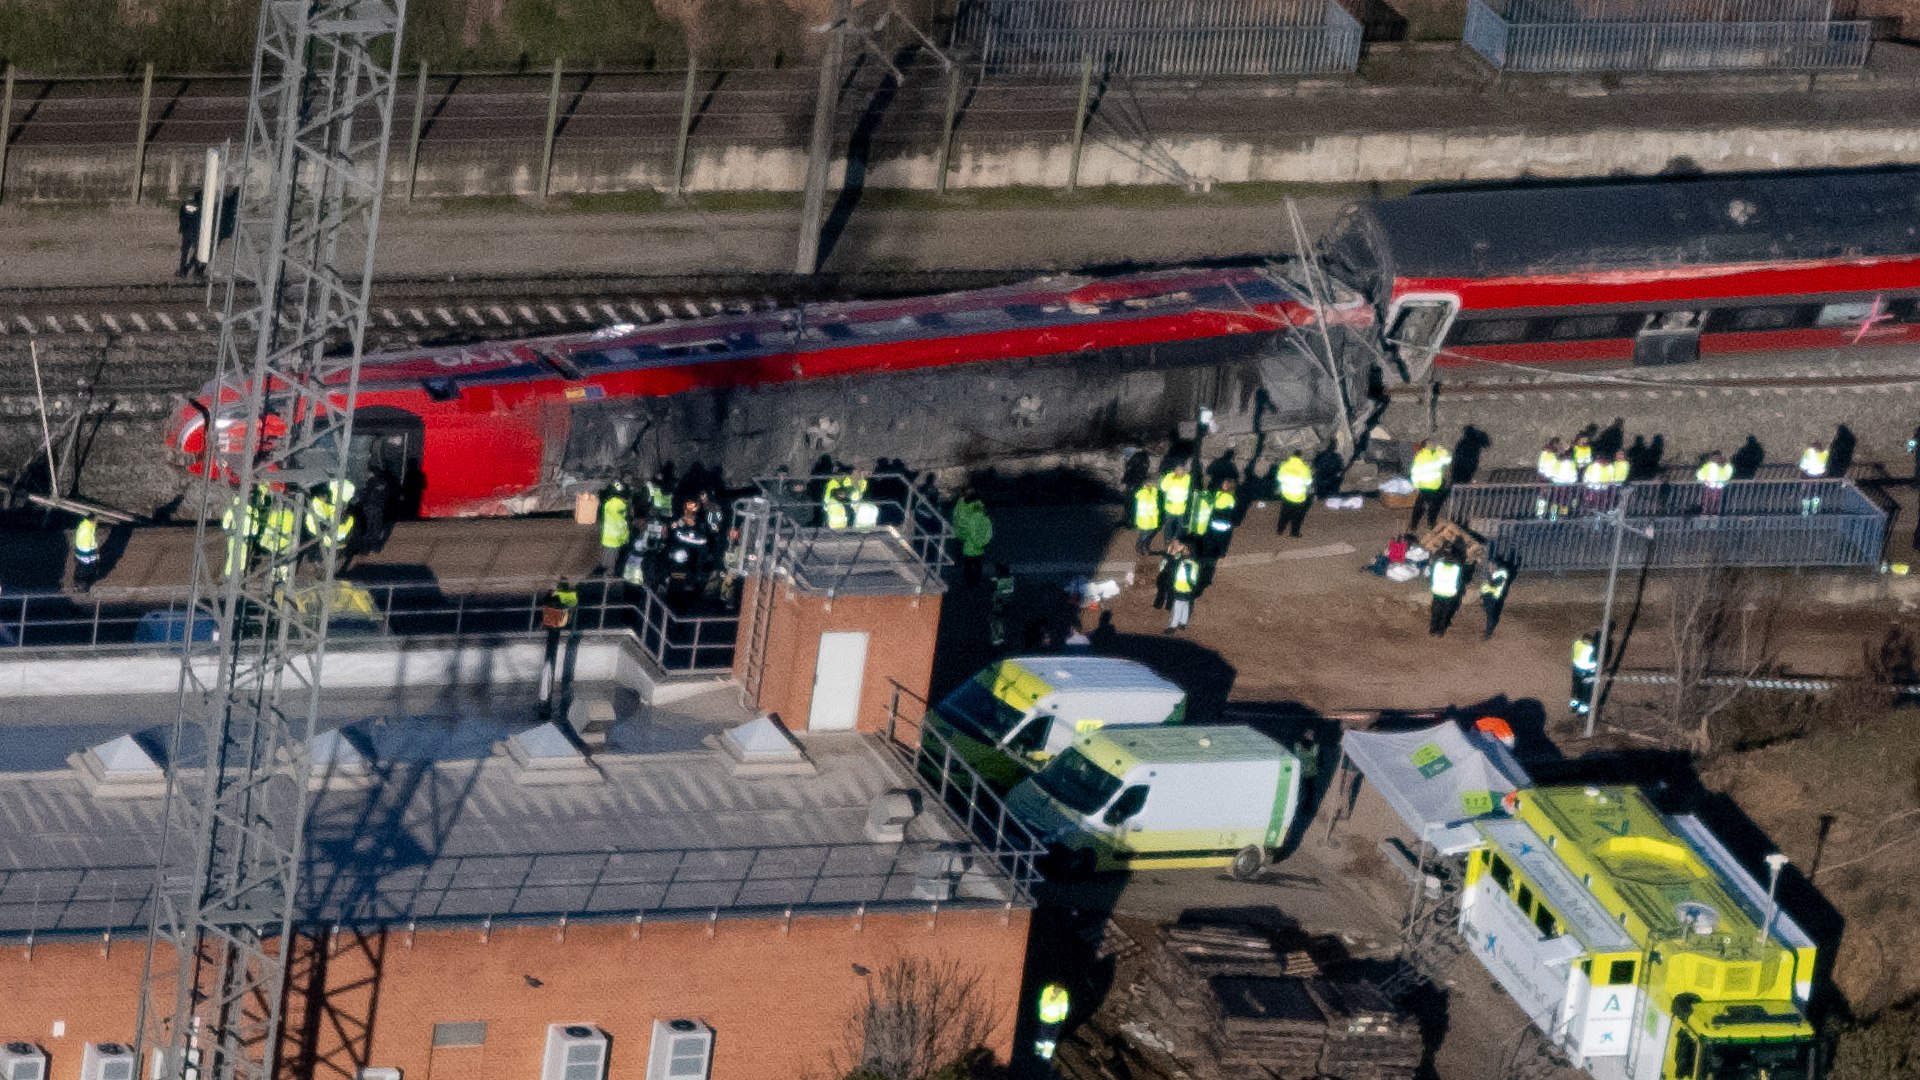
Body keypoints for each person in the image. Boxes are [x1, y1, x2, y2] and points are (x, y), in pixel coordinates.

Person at [537, 579, 579, 719]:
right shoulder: (569, 596)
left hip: (552, 630)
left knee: (548, 665)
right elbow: (572, 605)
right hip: (557, 628)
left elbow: (545, 602)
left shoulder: (555, 596)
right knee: (549, 664)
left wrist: (552, 594)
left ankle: (544, 704)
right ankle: (545, 703)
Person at [951, 489, 993, 586]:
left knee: (968, 564)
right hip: (977, 545)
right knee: (977, 564)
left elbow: (959, 520)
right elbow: (987, 530)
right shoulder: (982, 514)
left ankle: (969, 581)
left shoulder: (961, 507)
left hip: (966, 542)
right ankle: (976, 581)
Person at [1408, 439, 1452, 531]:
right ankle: (1431, 523)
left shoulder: (1420, 456)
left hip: (1424, 486)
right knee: (1434, 506)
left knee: (1420, 506)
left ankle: (1413, 525)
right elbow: (1448, 460)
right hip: (1436, 486)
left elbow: (1415, 472)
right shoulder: (1437, 455)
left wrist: (1415, 486)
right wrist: (1441, 449)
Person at [1427, 543, 1467, 637]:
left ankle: (1432, 630)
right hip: (1449, 593)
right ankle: (1440, 631)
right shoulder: (1457, 568)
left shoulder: (1439, 565)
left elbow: (1432, 576)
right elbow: (1459, 581)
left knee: (1435, 612)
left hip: (1438, 591)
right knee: (1445, 613)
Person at [1274, 452, 1313, 537]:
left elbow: (1279, 478)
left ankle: (1280, 530)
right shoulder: (1305, 468)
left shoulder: (1285, 465)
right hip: (1299, 496)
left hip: (1286, 495)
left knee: (1284, 514)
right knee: (1297, 516)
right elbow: (1308, 482)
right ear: (1301, 457)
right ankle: (1294, 533)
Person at [598, 481, 632, 575]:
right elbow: (625, 521)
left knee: (606, 556)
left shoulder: (609, 504)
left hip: (607, 536)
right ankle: (608, 572)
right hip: (617, 537)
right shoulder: (624, 505)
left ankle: (604, 571)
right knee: (612, 557)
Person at [1159, 460, 1194, 546]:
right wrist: (1171, 478)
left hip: (1181, 508)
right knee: (1168, 525)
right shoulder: (1169, 477)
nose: (1180, 472)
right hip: (1170, 508)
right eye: (1178, 470)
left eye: (1182, 470)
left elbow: (1193, 488)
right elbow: (1163, 487)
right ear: (1175, 470)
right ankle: (1167, 540)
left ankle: (1177, 540)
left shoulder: (1188, 478)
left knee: (1180, 526)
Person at [1166, 545, 1200, 633]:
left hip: (1183, 589)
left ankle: (1173, 626)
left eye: (1186, 550)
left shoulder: (1187, 564)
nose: (1183, 551)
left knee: (1177, 607)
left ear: (1190, 552)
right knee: (1185, 606)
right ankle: (1183, 623)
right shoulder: (1192, 563)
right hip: (1187, 590)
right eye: (1183, 549)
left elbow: (1191, 579)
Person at [1033, 982, 1071, 1060]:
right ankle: (1042, 1055)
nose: (1058, 990)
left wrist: (1062, 1018)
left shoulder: (1049, 991)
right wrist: (1062, 1018)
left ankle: (1041, 1055)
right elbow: (1064, 1007)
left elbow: (1042, 1003)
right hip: (1051, 1020)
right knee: (1047, 1038)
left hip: (1049, 1020)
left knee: (1046, 1038)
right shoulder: (1060, 993)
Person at [1201, 478, 1237, 558]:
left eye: (1226, 484)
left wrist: (1207, 499)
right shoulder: (1220, 493)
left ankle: (1219, 553)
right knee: (1217, 540)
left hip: (1221, 524)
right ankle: (1217, 552)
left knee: (1218, 540)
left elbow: (1216, 504)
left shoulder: (1228, 497)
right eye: (1224, 483)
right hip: (1217, 522)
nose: (1223, 485)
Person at [1478, 562, 1512, 640]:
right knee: (1489, 616)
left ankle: (1488, 633)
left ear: (1496, 565)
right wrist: (1482, 596)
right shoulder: (1490, 573)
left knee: (1492, 616)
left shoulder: (1501, 574)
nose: (1489, 566)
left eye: (1492, 565)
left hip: (1494, 598)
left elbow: (1494, 583)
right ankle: (1488, 630)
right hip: (1487, 598)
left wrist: (1489, 575)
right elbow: (1485, 586)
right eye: (1489, 565)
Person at [71, 514, 103, 593]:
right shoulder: (89, 528)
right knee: (86, 570)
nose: (97, 522)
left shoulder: (84, 524)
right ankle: (82, 587)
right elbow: (90, 544)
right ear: (92, 520)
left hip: (80, 548)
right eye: (96, 520)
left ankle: (78, 584)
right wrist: (95, 555)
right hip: (86, 551)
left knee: (81, 568)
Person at [1571, 632, 1599, 716]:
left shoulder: (1576, 643)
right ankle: (1583, 708)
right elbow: (1592, 663)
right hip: (1586, 671)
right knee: (1586, 689)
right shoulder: (1590, 649)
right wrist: (1596, 665)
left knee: (1576, 686)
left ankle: (1574, 704)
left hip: (1576, 668)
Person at [1533, 437, 1562, 518]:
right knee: (1546, 497)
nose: (1558, 447)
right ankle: (1545, 515)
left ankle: (1546, 515)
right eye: (1558, 445)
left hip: (1549, 479)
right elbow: (1548, 468)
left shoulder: (1550, 454)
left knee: (1551, 498)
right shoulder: (1548, 454)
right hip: (1546, 479)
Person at [1131, 477, 1161, 555]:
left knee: (1146, 535)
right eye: (1152, 484)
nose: (1154, 485)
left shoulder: (1151, 493)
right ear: (1146, 485)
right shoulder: (1144, 494)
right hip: (1145, 520)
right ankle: (1141, 547)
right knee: (1145, 535)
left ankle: (1142, 547)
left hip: (1149, 520)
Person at [989, 564, 1016, 649]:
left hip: (1001, 603)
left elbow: (997, 594)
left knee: (997, 620)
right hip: (1004, 603)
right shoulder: (1010, 580)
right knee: (999, 620)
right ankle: (1000, 637)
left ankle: (999, 637)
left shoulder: (999, 582)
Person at [1799, 439, 1829, 514]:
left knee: (1812, 491)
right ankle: (1809, 508)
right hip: (1814, 476)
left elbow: (1803, 467)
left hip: (1814, 476)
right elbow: (1803, 466)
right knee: (1812, 491)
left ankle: (1810, 508)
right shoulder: (1823, 453)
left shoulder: (1823, 453)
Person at [177, 193, 203, 277]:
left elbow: (182, 217)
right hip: (195, 232)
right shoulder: (201, 209)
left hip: (187, 232)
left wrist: (183, 228)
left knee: (185, 252)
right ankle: (189, 269)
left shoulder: (187, 206)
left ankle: (183, 270)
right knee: (197, 252)